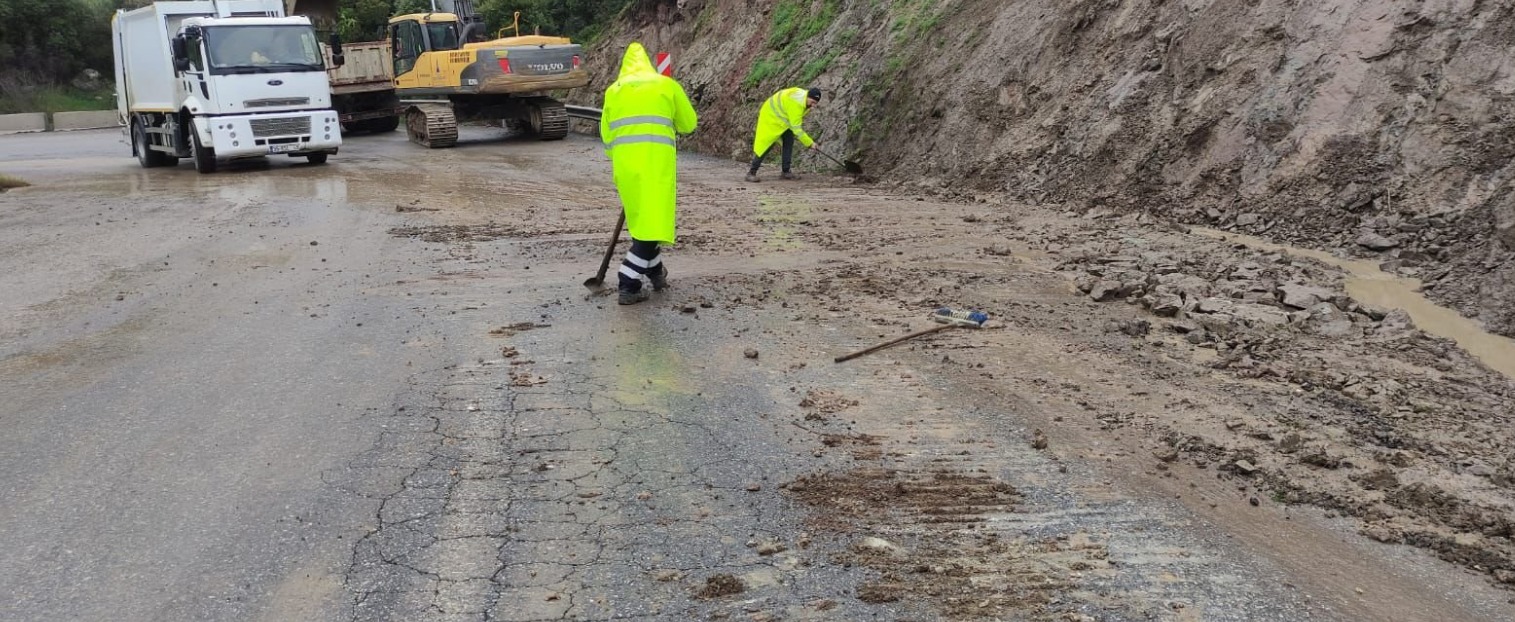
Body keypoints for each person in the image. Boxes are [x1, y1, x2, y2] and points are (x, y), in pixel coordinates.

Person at [600, 42, 698, 306]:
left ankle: (656, 273)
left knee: (643, 222)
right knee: (651, 226)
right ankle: (628, 282)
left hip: (625, 167)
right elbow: (689, 124)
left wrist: (623, 158)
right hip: (656, 164)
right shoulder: (665, 85)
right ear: (648, 63)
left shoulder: (613, 91)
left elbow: (607, 137)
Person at [746, 87, 821, 182]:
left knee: (788, 141)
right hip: (771, 118)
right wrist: (810, 143)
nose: (813, 105)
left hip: (783, 120)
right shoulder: (797, 104)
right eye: (812, 102)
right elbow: (797, 130)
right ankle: (751, 172)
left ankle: (786, 172)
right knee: (767, 144)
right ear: (807, 96)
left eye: (815, 103)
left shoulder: (803, 99)